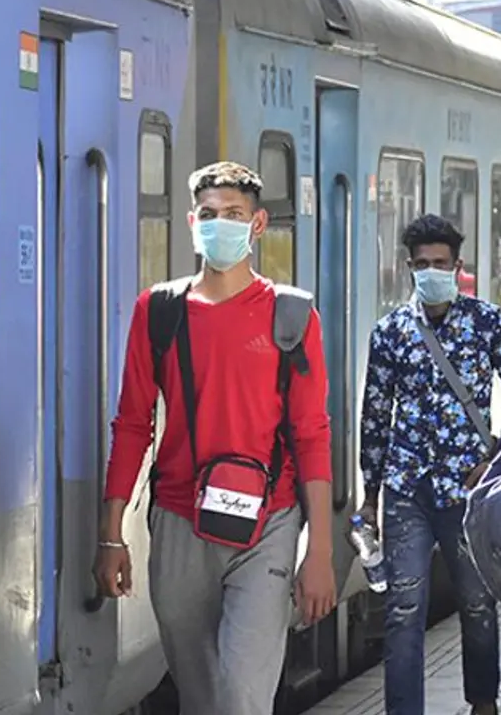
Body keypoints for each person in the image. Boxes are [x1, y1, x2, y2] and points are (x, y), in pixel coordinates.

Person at [94, 161, 336, 715]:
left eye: (233, 215)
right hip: (180, 521)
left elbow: (312, 435)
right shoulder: (158, 311)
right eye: (209, 215)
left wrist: (318, 548)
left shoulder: (292, 315)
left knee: (241, 697)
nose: (219, 225)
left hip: (268, 522)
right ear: (191, 222)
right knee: (201, 698)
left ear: (258, 225)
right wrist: (111, 536)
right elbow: (133, 424)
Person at [358, 214, 501, 715]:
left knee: (478, 603)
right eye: (421, 265)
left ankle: (483, 704)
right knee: (403, 610)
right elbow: (375, 415)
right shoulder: (391, 332)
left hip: (469, 490)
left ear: (458, 267)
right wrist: (370, 497)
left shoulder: (488, 323)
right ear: (408, 268)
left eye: (440, 264)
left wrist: (496, 458)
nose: (431, 272)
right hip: (406, 488)